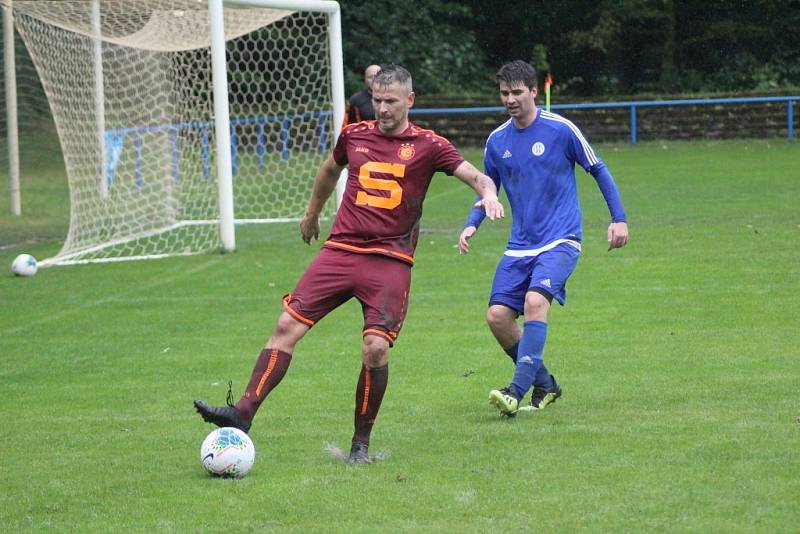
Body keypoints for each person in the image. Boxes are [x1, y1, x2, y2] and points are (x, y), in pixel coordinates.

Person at [196, 64, 504, 463]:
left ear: (410, 100)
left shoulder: (430, 145)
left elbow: (478, 177)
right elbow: (329, 169)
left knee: (375, 349)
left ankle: (360, 444)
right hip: (340, 251)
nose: (382, 108)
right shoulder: (354, 136)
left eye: (391, 101)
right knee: (286, 325)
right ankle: (243, 413)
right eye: (377, 100)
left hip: (389, 261)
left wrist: (490, 194)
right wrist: (311, 214)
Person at [458, 60, 629, 417]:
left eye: (517, 92)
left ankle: (515, 392)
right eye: (505, 93)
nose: (510, 99)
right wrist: (473, 222)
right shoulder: (497, 140)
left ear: (534, 91)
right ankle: (546, 383)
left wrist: (619, 219)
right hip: (520, 245)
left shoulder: (560, 129)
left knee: (536, 302)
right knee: (497, 317)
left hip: (561, 239)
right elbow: (488, 188)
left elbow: (598, 168)